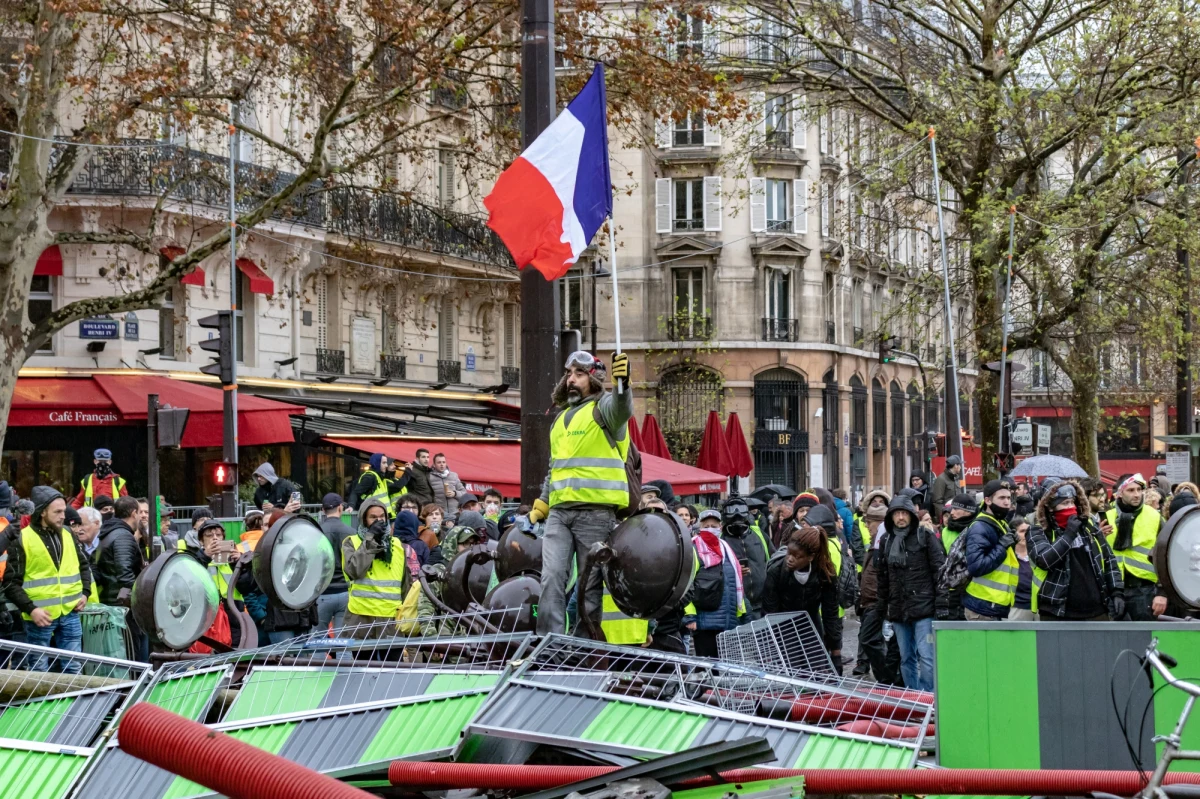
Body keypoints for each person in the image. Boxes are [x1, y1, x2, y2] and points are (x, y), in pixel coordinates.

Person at [528, 350, 632, 637]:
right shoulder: (559, 420)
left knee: (589, 584)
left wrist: (622, 383)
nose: (571, 379)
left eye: (580, 374)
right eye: (569, 373)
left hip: (596, 513)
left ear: (595, 378)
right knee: (550, 578)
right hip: (560, 514)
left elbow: (623, 407)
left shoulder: (606, 409)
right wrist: (541, 506)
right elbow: (555, 470)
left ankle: (584, 643)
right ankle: (550, 642)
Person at [2, 487, 92, 671]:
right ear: (42, 512)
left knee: (74, 669)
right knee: (39, 672)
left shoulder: (68, 534)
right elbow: (11, 584)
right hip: (39, 616)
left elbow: (84, 566)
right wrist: (32, 609)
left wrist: (85, 593)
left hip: (69, 612)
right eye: (57, 512)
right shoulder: (23, 538)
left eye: (63, 511)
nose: (62, 516)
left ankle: (72, 701)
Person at [875, 494, 945, 691]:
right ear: (890, 517)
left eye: (904, 513)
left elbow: (939, 571)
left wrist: (941, 604)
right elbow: (882, 577)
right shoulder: (886, 540)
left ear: (911, 516)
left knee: (927, 656)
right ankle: (913, 698)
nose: (901, 518)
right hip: (898, 609)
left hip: (924, 608)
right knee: (906, 657)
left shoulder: (925, 536)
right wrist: (882, 609)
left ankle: (928, 699)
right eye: (897, 514)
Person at [1029, 481, 1124, 621]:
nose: (1070, 507)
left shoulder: (1088, 527)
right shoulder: (1038, 531)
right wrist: (1069, 534)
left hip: (1096, 611)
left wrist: (1117, 592)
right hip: (1058, 613)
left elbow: (1109, 560)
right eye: (1065, 503)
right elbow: (1044, 560)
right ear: (1050, 507)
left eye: (1072, 502)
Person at [763, 524, 842, 670]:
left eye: (797, 556)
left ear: (811, 557)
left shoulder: (825, 574)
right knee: (791, 671)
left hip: (810, 620)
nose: (790, 559)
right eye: (789, 553)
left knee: (817, 670)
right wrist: (769, 648)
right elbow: (769, 612)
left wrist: (836, 652)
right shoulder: (776, 571)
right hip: (782, 622)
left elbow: (830, 614)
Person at [342, 498, 418, 638]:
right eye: (373, 517)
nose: (379, 521)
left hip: (391, 617)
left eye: (382, 517)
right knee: (362, 661)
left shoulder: (397, 545)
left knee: (393, 660)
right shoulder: (351, 542)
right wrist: (370, 539)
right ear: (364, 520)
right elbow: (354, 571)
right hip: (362, 616)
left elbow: (404, 585)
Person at [1101, 474, 1165, 620]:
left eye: (1139, 489)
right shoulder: (1106, 517)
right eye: (1131, 490)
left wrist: (1162, 594)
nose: (1136, 494)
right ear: (1120, 493)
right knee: (1115, 640)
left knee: (1144, 639)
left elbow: (1167, 556)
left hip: (1145, 590)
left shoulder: (1154, 516)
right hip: (1113, 590)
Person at [683, 508, 744, 657]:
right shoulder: (693, 548)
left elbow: (732, 582)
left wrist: (741, 613)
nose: (710, 529)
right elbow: (686, 584)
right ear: (700, 527)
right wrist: (689, 616)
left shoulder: (726, 548)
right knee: (707, 669)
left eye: (714, 525)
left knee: (723, 671)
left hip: (727, 621)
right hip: (704, 622)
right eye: (706, 525)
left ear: (721, 527)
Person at [853, 510, 901, 683]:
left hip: (878, 601)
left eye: (869, 522)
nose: (866, 526)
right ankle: (888, 679)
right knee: (872, 640)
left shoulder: (886, 540)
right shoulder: (875, 541)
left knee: (873, 640)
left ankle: (889, 679)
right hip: (871, 600)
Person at [962, 480, 1019, 621]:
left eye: (1008, 498)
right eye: (1001, 498)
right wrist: (1002, 546)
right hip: (982, 606)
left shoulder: (1000, 523)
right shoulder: (980, 527)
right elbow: (977, 566)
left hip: (993, 605)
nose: (1007, 502)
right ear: (987, 500)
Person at [719, 496, 768, 621]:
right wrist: (734, 571)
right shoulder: (720, 540)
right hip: (735, 608)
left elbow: (773, 561)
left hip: (762, 605)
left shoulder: (758, 534)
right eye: (732, 510)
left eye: (741, 509)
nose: (737, 513)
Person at [91, 496, 141, 607]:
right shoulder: (123, 536)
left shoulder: (108, 532)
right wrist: (140, 594)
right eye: (139, 512)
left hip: (110, 598)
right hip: (120, 602)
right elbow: (125, 573)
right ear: (134, 513)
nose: (140, 517)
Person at [316, 494, 353, 634]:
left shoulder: (316, 532)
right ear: (340, 508)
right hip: (345, 591)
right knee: (343, 642)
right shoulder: (351, 532)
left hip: (322, 592)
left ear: (322, 510)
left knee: (316, 641)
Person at [347, 453, 408, 517]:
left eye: (386, 463)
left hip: (383, 515)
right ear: (377, 463)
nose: (387, 465)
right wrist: (351, 506)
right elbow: (355, 492)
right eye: (384, 463)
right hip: (374, 516)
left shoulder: (380, 477)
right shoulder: (370, 477)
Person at [427, 454, 468, 519]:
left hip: (455, 512)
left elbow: (464, 493)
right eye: (439, 462)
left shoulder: (453, 475)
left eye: (443, 462)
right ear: (434, 464)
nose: (442, 464)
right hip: (440, 513)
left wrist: (455, 493)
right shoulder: (429, 477)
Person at [930, 455, 962, 525]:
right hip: (947, 519)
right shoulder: (941, 479)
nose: (961, 467)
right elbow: (937, 502)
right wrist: (942, 519)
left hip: (957, 517)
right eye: (960, 465)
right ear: (955, 466)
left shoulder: (956, 478)